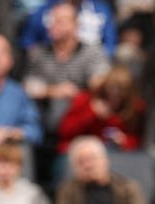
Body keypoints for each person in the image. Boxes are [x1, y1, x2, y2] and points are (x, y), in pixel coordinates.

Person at [23, 2, 110, 134]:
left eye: (60, 21)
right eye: (51, 21)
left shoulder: (91, 52)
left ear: (75, 26)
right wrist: (54, 91)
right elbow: (28, 87)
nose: (52, 25)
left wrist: (81, 94)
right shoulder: (40, 53)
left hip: (80, 116)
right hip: (45, 115)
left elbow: (100, 82)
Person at [57, 65, 147, 153]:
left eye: (122, 89)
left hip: (116, 155)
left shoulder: (134, 108)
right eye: (112, 87)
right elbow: (65, 132)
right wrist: (92, 113)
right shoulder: (86, 100)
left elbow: (140, 140)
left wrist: (124, 140)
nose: (115, 94)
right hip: (82, 151)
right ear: (105, 86)